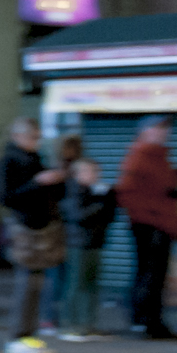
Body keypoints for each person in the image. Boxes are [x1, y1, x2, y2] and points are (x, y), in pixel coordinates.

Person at [0, 119, 67, 353]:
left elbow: (55, 194)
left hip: (42, 226)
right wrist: (37, 182)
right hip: (24, 227)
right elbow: (7, 197)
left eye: (37, 137)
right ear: (17, 135)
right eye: (32, 136)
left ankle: (29, 335)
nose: (36, 141)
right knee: (27, 283)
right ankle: (17, 336)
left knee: (37, 283)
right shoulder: (8, 160)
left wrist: (56, 180)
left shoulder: (36, 159)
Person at [117, 117, 177, 340]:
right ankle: (148, 321)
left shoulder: (159, 157)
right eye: (158, 129)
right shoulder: (139, 157)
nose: (164, 133)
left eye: (165, 129)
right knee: (151, 275)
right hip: (151, 225)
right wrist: (149, 218)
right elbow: (127, 192)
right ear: (144, 132)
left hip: (161, 224)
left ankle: (146, 319)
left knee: (152, 274)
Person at [53, 133, 113, 340]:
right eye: (89, 170)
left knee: (91, 286)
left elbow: (109, 216)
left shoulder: (97, 192)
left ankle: (88, 323)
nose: (95, 174)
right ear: (78, 173)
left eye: (96, 171)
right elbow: (78, 216)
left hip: (95, 243)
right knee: (76, 285)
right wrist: (99, 204)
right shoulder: (73, 191)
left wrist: (107, 200)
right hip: (78, 244)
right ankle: (70, 325)